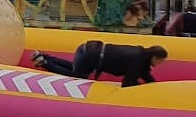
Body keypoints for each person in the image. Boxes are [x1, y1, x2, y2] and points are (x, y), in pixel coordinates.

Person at [33, 42, 167, 87]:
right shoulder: (138, 61)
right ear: (155, 57)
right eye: (160, 61)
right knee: (78, 76)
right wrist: (143, 91)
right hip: (90, 55)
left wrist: (154, 87)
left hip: (87, 48)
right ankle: (45, 63)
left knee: (76, 68)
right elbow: (128, 83)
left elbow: (146, 76)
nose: (160, 64)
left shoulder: (141, 55)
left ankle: (44, 56)